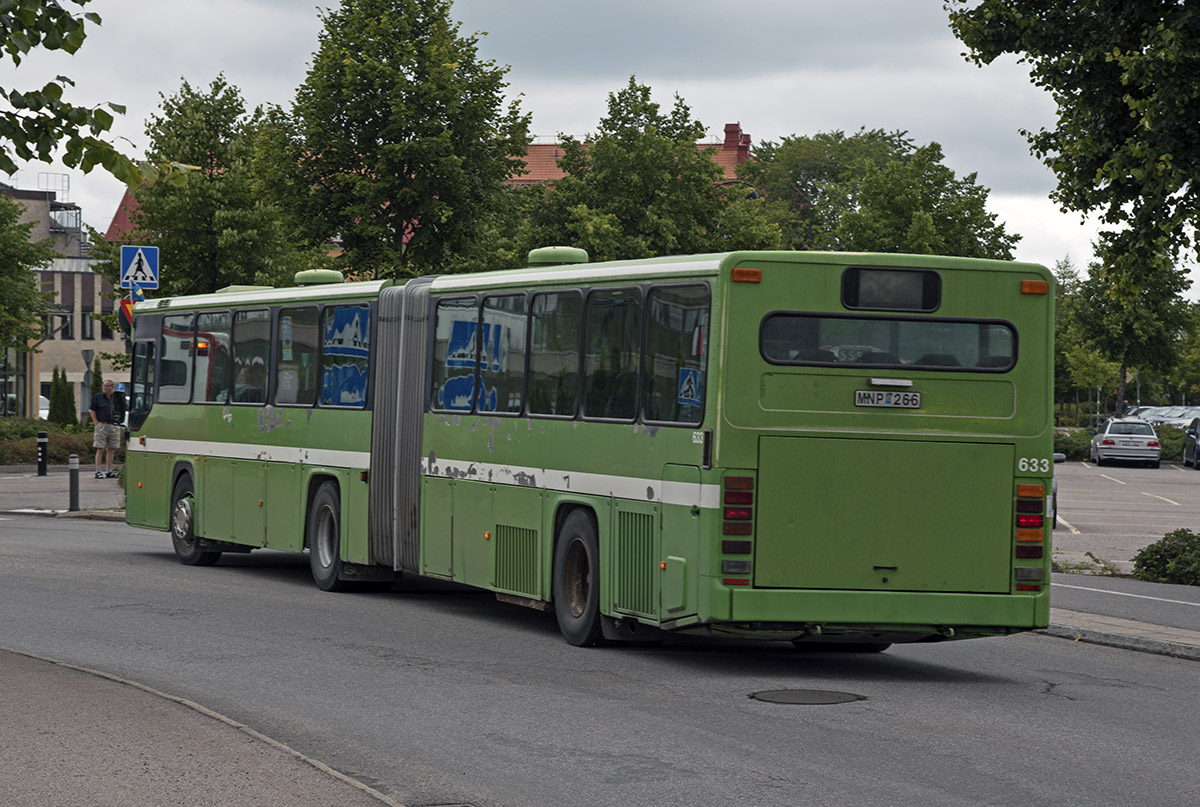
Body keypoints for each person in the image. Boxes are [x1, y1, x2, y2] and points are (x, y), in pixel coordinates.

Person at [89, 380, 125, 479]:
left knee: (111, 449)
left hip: (113, 425)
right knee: (100, 448)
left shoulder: (116, 398)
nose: (104, 388)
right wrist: (96, 423)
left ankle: (109, 471)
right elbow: (92, 410)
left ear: (112, 387)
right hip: (102, 424)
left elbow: (121, 409)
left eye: (107, 386)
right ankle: (98, 471)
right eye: (103, 386)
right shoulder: (98, 397)